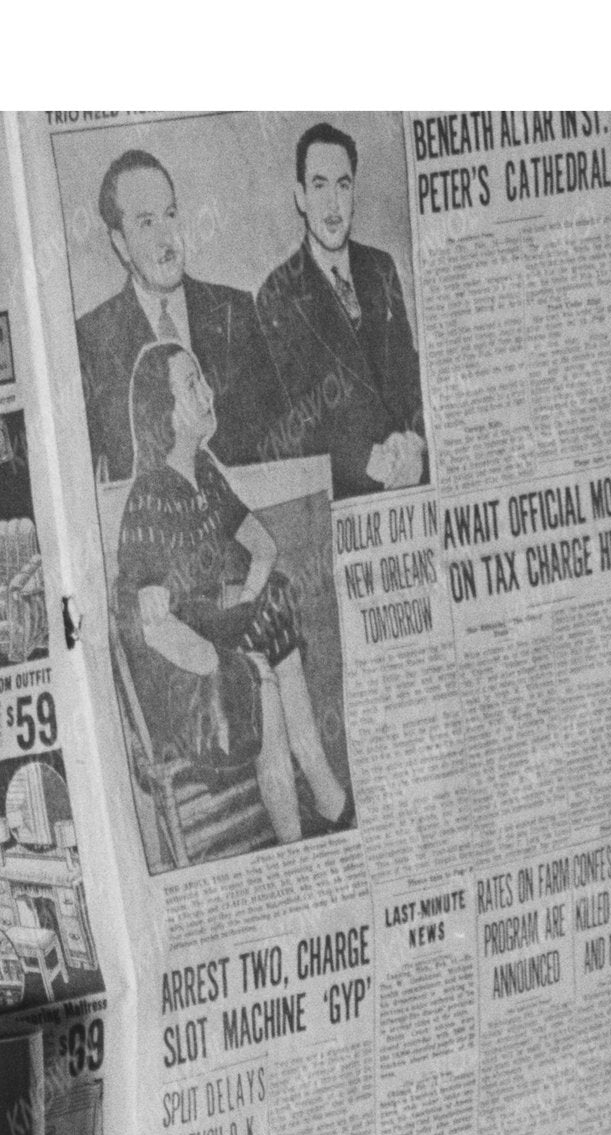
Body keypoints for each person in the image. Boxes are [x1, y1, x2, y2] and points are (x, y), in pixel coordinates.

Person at [112, 337, 349, 838]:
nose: (208, 392)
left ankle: (323, 792)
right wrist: (226, 656)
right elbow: (151, 625)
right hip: (190, 675)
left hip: (222, 633)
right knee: (259, 661)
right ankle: (302, 826)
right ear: (166, 411)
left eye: (203, 379)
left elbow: (263, 549)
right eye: (192, 383)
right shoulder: (147, 497)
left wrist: (243, 605)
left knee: (275, 595)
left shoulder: (206, 473)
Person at [76, 145, 280, 483]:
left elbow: (284, 437)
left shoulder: (237, 311)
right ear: (120, 243)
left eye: (170, 215)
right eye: (146, 223)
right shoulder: (92, 338)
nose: (165, 237)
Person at [258, 120, 426, 496]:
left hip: (410, 477)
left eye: (343, 185)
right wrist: (366, 458)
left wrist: (416, 439)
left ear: (354, 193)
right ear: (300, 196)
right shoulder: (277, 293)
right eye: (319, 185)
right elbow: (292, 419)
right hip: (347, 488)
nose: (333, 204)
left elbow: (407, 371)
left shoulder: (381, 267)